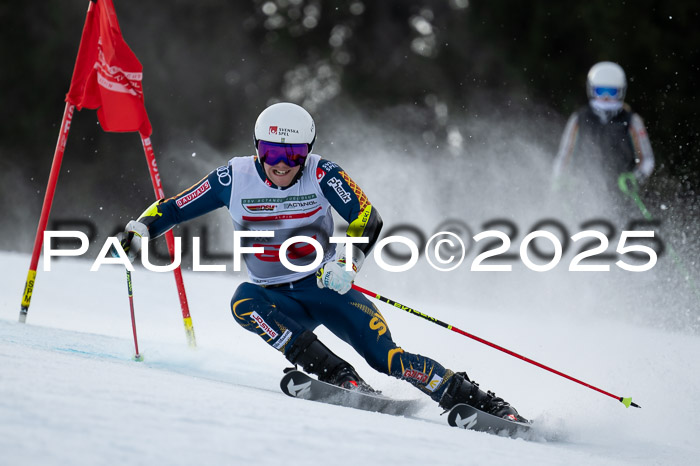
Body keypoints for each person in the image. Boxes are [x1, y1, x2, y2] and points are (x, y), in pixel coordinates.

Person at [115, 102, 524, 421]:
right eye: (272, 151)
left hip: (326, 288)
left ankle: (481, 401)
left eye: (292, 153)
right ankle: (338, 376)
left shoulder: (323, 173)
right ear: (257, 148)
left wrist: (347, 263)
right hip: (276, 298)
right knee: (243, 302)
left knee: (388, 359)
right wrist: (139, 231)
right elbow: (172, 209)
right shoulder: (232, 178)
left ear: (306, 152)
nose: (280, 163)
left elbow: (368, 217)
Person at [553, 61, 655, 194]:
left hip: (622, 192)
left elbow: (647, 160)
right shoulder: (579, 119)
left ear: (620, 92)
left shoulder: (631, 121)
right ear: (592, 90)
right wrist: (559, 180)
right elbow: (564, 155)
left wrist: (635, 179)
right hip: (583, 191)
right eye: (600, 91)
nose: (606, 97)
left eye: (611, 92)